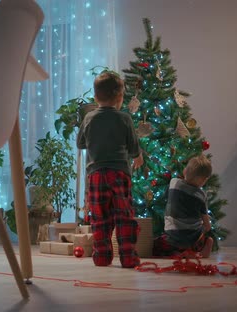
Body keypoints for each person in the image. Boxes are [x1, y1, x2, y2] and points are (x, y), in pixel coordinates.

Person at [77, 71, 144, 268]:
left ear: (96, 97)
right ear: (120, 97)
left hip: (96, 175)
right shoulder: (124, 119)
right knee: (124, 216)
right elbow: (133, 147)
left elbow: (81, 143)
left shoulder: (89, 118)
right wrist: (138, 157)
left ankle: (102, 256)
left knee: (100, 217)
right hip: (119, 174)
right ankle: (128, 257)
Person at [153, 154, 215, 258]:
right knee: (205, 238)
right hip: (193, 238)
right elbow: (207, 225)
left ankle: (179, 252)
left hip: (173, 236)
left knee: (158, 245)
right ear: (204, 180)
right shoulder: (201, 195)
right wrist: (206, 229)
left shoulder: (174, 183)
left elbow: (165, 198)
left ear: (185, 171)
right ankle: (198, 249)